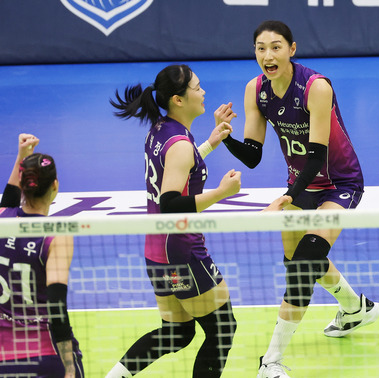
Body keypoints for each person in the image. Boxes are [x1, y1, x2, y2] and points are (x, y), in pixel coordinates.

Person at [220, 20, 379, 377]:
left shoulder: (315, 87)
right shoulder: (256, 90)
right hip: (299, 184)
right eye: (261, 48)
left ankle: (270, 362)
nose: (268, 55)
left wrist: (284, 198)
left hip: (338, 182)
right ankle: (357, 308)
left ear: (292, 49)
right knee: (299, 262)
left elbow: (317, 157)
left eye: (276, 47)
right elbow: (253, 154)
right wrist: (225, 137)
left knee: (305, 262)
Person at [105, 64, 241, 378]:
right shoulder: (180, 144)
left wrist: (209, 143)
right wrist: (222, 192)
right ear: (179, 99)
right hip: (183, 254)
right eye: (196, 87)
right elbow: (170, 204)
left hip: (156, 254)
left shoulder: (161, 129)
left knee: (177, 333)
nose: (203, 91)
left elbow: (179, 169)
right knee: (223, 329)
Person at [0, 134, 84, 377]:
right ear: (55, 185)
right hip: (45, 355)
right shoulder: (55, 236)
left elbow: (9, 201)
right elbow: (57, 307)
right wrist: (68, 365)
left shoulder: (2, 219)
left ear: (23, 183)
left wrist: (21, 157)